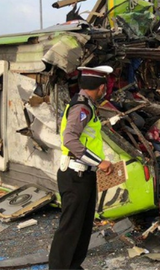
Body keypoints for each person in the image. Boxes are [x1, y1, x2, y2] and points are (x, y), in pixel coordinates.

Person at [49, 65, 114, 270]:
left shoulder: (86, 106)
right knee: (70, 229)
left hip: (83, 176)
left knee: (82, 228)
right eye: (104, 86)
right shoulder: (82, 107)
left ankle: (73, 266)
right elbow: (69, 139)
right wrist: (99, 162)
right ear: (101, 86)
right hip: (75, 175)